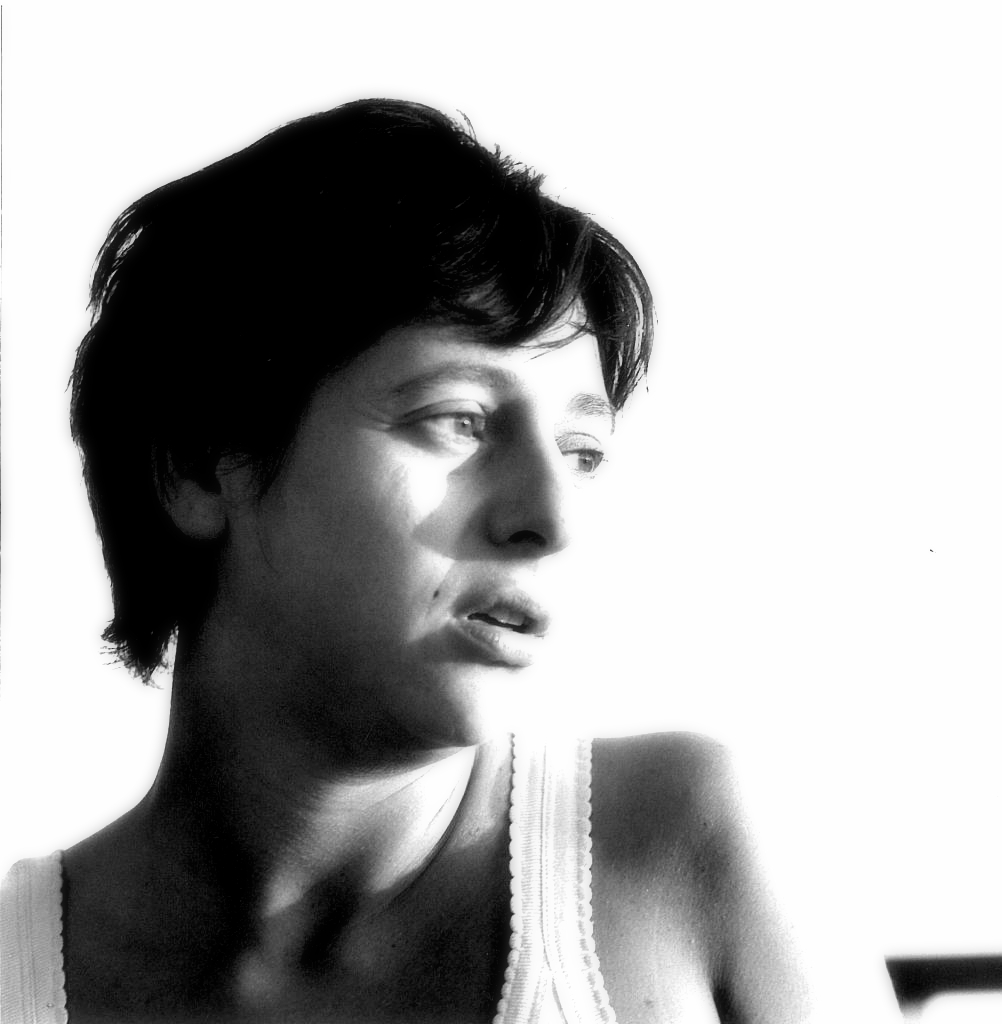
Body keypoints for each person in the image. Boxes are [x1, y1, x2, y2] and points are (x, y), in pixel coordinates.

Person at [0, 99, 901, 1023]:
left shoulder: (683, 848)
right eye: (459, 421)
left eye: (582, 453)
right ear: (198, 464)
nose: (550, 518)